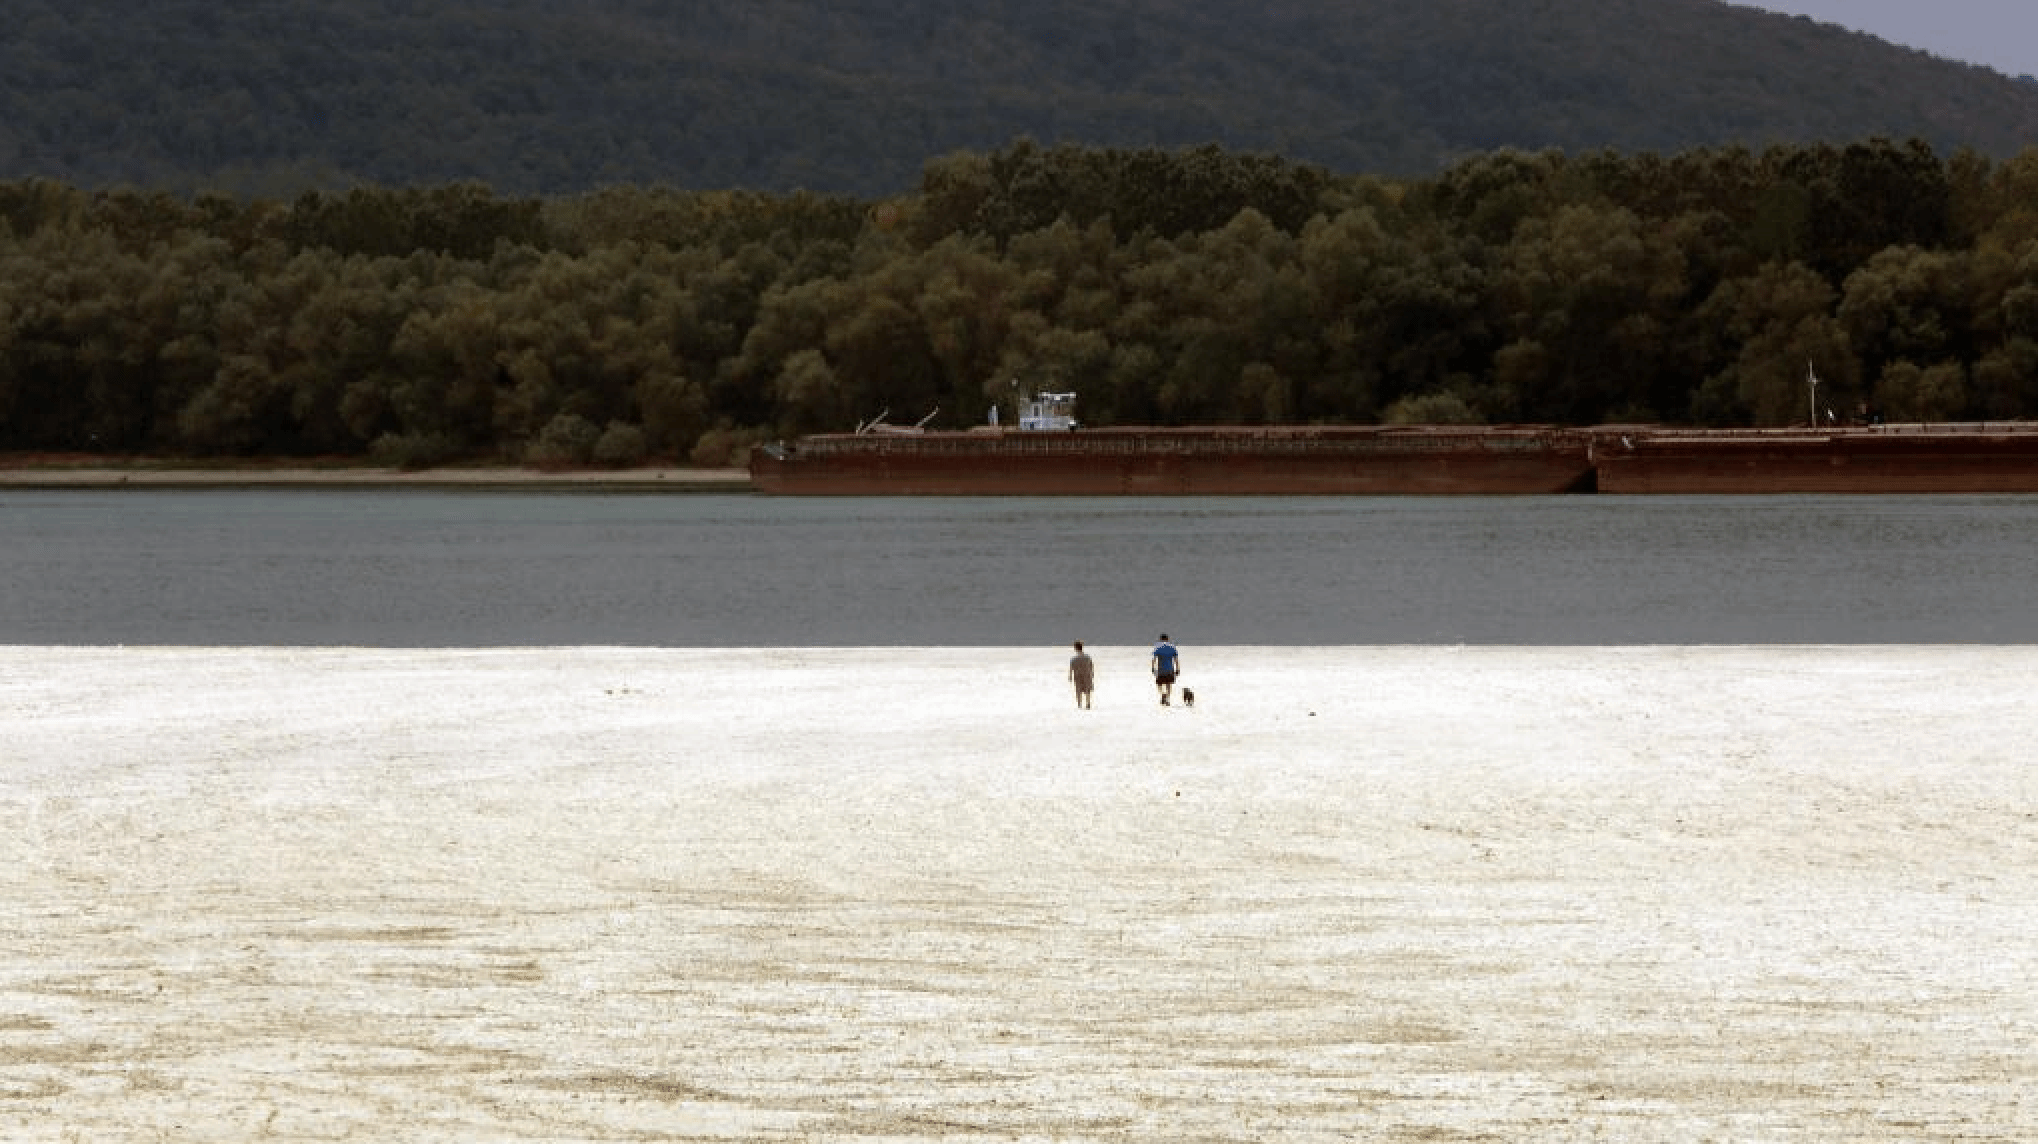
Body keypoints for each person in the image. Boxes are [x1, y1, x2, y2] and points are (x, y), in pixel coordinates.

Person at [1151, 633, 1180, 706]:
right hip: (1170, 670)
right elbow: (1176, 660)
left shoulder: (1157, 648)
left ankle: (1162, 694)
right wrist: (1177, 669)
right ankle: (1167, 697)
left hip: (1161, 670)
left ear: (1160, 639)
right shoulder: (1172, 647)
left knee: (1159, 683)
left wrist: (1153, 668)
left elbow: (1154, 659)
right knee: (1168, 684)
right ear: (1168, 639)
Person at [1068, 640, 1095, 709]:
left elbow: (1071, 668)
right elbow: (1091, 666)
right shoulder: (1087, 657)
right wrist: (1092, 674)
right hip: (1087, 675)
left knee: (1078, 690)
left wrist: (1070, 676)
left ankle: (1079, 704)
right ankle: (1088, 703)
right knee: (1087, 690)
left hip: (1078, 676)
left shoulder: (1074, 659)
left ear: (1076, 648)